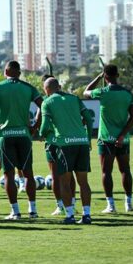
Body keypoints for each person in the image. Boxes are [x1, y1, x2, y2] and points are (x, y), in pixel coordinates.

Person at [0, 61, 42, 219]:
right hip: (24, 135)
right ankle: (33, 211)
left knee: (9, 175)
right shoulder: (28, 88)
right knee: (28, 173)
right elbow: (43, 105)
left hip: (6, 136)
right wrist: (35, 126)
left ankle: (16, 211)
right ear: (19, 73)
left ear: (6, 71)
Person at [39, 78, 94, 224]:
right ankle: (86, 215)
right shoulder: (75, 98)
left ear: (46, 89)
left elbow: (44, 127)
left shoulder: (47, 102)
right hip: (82, 143)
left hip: (64, 145)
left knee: (64, 181)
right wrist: (88, 139)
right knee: (83, 182)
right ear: (59, 87)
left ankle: (70, 215)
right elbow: (89, 118)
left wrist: (41, 134)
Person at [84, 65, 133, 213]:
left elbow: (85, 92)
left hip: (106, 139)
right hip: (123, 139)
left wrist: (97, 77)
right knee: (125, 170)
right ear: (118, 75)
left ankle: (111, 205)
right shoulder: (127, 94)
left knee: (106, 172)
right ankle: (129, 204)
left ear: (105, 76)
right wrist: (122, 135)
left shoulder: (102, 92)